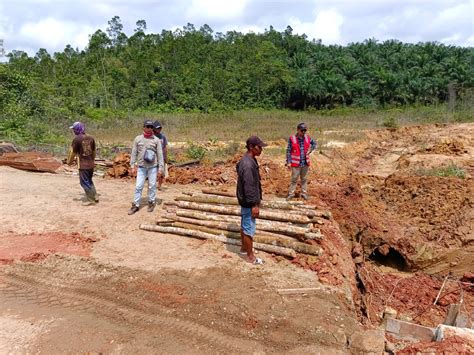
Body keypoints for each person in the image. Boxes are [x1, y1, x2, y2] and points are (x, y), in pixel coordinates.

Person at [236, 136, 267, 265]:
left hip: (245, 202)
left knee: (245, 225)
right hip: (249, 203)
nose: (261, 150)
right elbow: (249, 186)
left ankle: (244, 249)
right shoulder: (248, 164)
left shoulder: (248, 160)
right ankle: (250, 257)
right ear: (251, 147)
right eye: (259, 147)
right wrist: (254, 204)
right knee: (249, 229)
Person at [128, 120, 164, 215]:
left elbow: (160, 155)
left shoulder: (156, 140)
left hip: (152, 167)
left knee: (152, 186)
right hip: (141, 167)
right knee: (138, 186)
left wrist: (161, 168)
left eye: (151, 127)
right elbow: (134, 153)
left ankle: (151, 202)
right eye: (147, 126)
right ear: (143, 127)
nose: (149, 129)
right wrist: (132, 165)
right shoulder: (138, 139)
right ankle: (136, 205)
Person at [67, 121, 98, 205]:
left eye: (74, 129)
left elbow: (72, 152)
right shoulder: (91, 138)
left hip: (83, 164)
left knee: (84, 182)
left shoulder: (77, 139)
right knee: (89, 180)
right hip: (91, 164)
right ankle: (95, 196)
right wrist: (92, 160)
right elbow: (94, 151)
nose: (73, 131)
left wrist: (69, 162)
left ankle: (91, 200)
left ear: (77, 130)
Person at [285, 122, 317, 201]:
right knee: (294, 179)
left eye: (305, 130)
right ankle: (291, 194)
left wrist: (311, 149)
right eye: (302, 130)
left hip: (305, 163)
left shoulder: (307, 137)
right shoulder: (292, 138)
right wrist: (288, 162)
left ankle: (304, 194)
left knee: (304, 179)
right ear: (298, 130)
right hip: (296, 163)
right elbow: (288, 151)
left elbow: (314, 143)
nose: (303, 132)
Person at [153, 120, 168, 190]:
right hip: (153, 157)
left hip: (161, 157)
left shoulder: (163, 137)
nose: (159, 130)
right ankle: (152, 184)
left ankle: (159, 185)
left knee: (161, 171)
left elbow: (165, 147)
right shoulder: (151, 136)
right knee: (152, 171)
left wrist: (165, 157)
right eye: (157, 128)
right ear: (153, 128)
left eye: (160, 128)